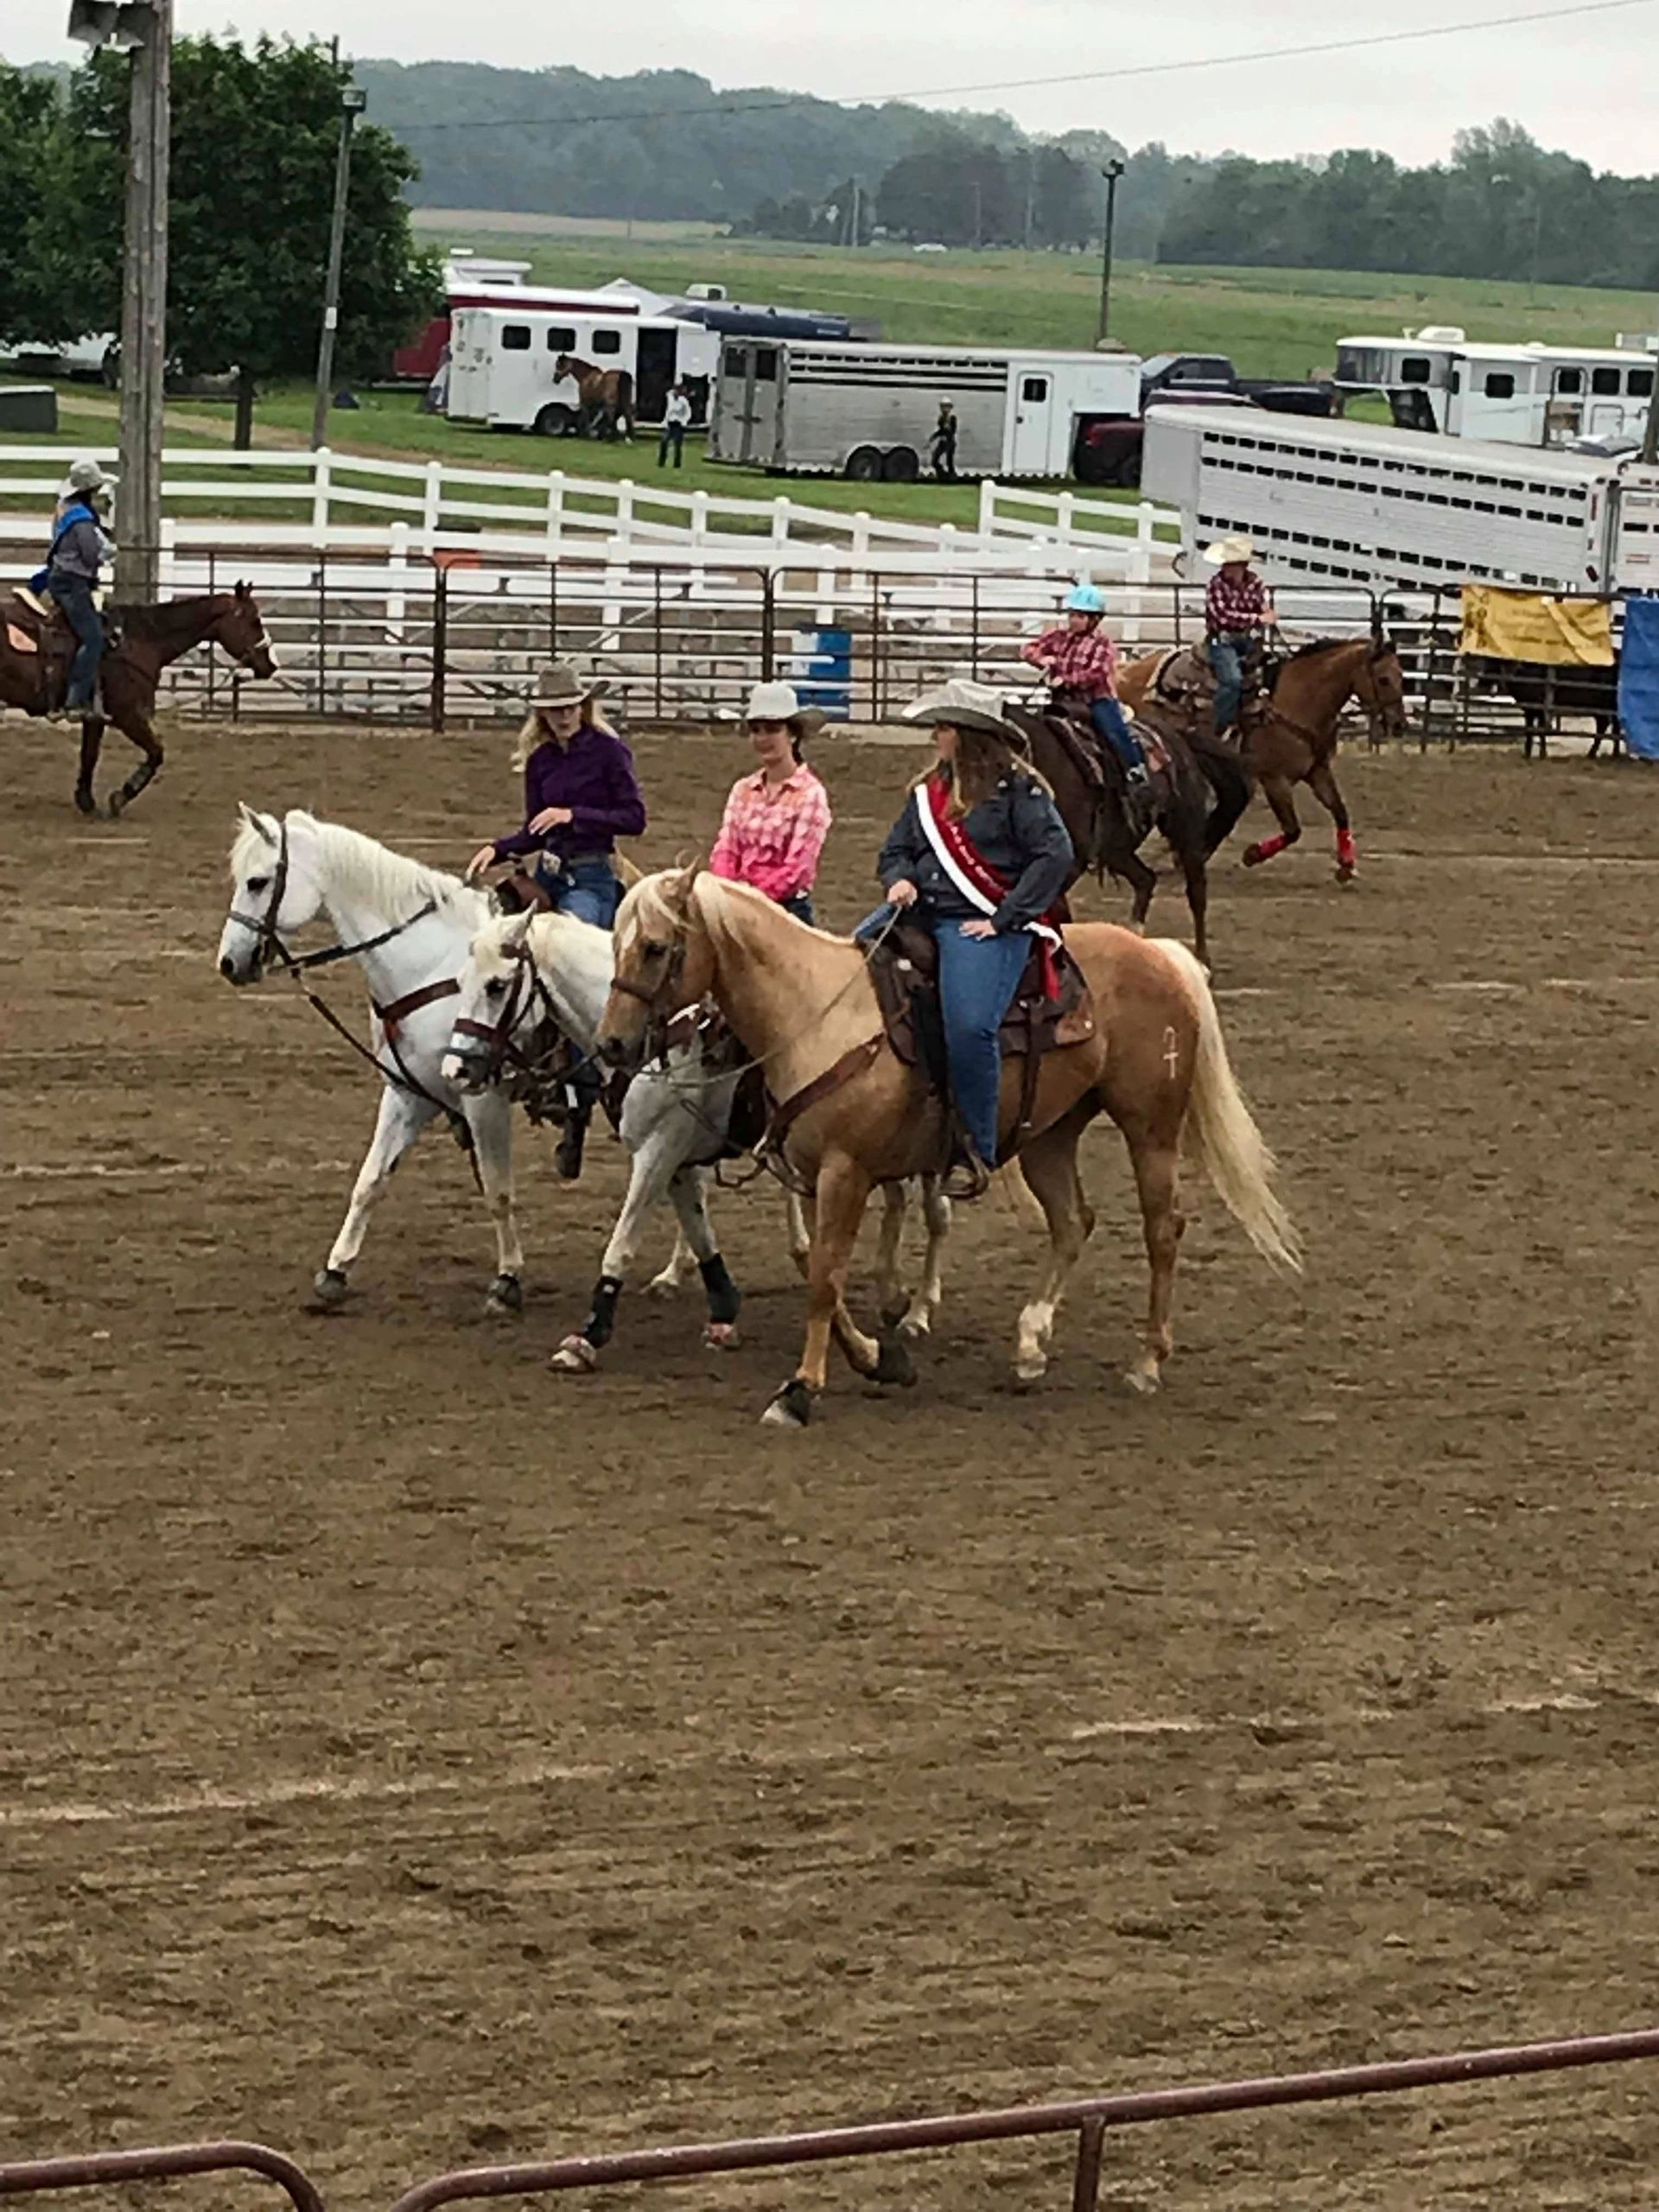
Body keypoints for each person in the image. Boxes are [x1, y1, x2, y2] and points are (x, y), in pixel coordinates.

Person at [864, 677, 1073, 1186]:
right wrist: (900, 880)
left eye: (943, 727)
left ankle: (976, 1145)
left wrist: (1007, 917)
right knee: (851, 962)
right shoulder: (927, 795)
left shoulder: (1019, 794)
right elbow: (894, 852)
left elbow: (1056, 854)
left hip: (979, 923)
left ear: (967, 734)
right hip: (920, 913)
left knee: (970, 1025)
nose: (936, 736)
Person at [467, 660, 647, 1178]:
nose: (565, 715)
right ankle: (509, 1060)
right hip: (548, 873)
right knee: (495, 953)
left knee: (566, 961)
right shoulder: (542, 760)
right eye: (555, 709)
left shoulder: (610, 752)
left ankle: (580, 1096)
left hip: (592, 874)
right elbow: (533, 829)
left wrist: (575, 816)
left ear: (583, 706)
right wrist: (499, 847)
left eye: (570, 706)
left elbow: (633, 818)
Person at [709, 681, 833, 925]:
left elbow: (797, 869)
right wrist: (727, 890)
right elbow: (726, 848)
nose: (763, 737)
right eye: (757, 729)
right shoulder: (742, 789)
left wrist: (747, 896)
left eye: (773, 729)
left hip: (785, 910)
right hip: (736, 902)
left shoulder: (810, 794)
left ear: (793, 734)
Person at [1021, 581, 1147, 790]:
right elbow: (1029, 648)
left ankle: (1134, 768)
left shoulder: (1103, 644)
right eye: (1072, 615)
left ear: (1094, 620)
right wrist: (1041, 659)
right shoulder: (1060, 638)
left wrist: (1066, 679)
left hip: (1095, 699)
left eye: (1080, 616)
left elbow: (1095, 674)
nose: (1074, 621)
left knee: (1113, 731)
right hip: (1064, 700)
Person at [34, 456, 116, 720]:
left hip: (59, 577)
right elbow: (91, 555)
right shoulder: (82, 521)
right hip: (73, 582)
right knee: (93, 639)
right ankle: (75, 699)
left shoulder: (64, 510)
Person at [1203, 535, 1276, 737]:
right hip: (1222, 640)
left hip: (1248, 639)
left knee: (1275, 669)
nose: (1226, 568)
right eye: (1226, 563)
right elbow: (1222, 617)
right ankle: (1220, 728)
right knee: (1232, 681)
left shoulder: (1256, 584)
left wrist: (1264, 616)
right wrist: (1258, 619)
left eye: (1231, 564)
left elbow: (1263, 608)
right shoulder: (1216, 584)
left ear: (1242, 565)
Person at [658, 382, 692, 469]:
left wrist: (684, 421)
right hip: (670, 423)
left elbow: (688, 413)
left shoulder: (683, 401)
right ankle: (661, 462)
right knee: (664, 442)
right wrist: (665, 422)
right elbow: (668, 411)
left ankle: (677, 464)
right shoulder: (670, 399)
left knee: (677, 445)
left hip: (678, 425)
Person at [929, 402, 958, 482]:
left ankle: (952, 477)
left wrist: (947, 431)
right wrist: (933, 437)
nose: (944, 409)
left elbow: (953, 431)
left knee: (949, 462)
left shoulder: (952, 418)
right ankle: (942, 475)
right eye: (942, 407)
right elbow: (940, 430)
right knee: (934, 460)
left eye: (946, 407)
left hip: (950, 442)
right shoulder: (941, 418)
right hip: (942, 442)